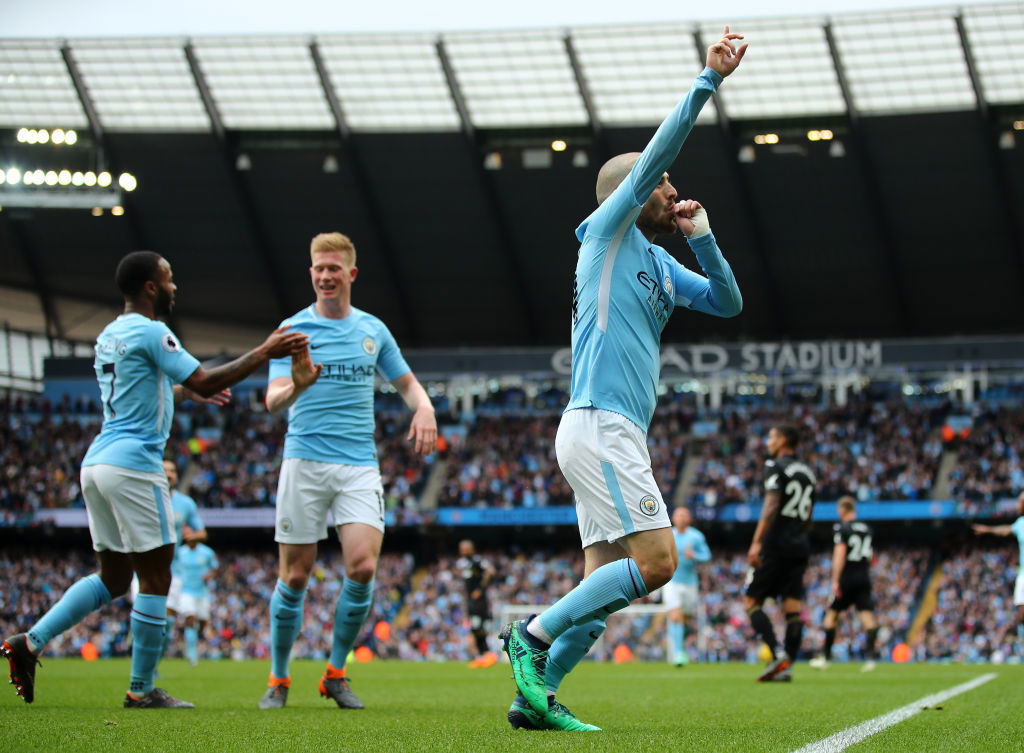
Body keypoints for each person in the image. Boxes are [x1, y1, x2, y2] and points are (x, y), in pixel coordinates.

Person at [500, 28, 746, 733]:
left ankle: (533, 696)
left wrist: (702, 237)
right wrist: (708, 80)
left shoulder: (661, 263)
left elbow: (728, 302)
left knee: (605, 587)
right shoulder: (606, 233)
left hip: (613, 427)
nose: (673, 190)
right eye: (662, 185)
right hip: (599, 421)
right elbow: (659, 152)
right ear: (630, 193)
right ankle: (533, 635)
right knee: (659, 560)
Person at [1, 250, 308, 708]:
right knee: (156, 576)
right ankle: (141, 690)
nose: (174, 286)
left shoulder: (110, 335)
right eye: (168, 278)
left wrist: (181, 393)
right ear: (150, 287)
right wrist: (264, 352)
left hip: (97, 464)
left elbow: (148, 390)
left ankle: (32, 640)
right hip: (134, 466)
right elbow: (204, 380)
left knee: (113, 575)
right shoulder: (152, 332)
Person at [257, 232, 436, 710]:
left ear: (350, 274)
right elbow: (272, 402)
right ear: (311, 273)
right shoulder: (293, 330)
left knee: (362, 566)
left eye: (333, 268)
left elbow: (409, 384)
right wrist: (295, 385)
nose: (325, 275)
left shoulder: (373, 330)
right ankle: (278, 678)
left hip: (358, 464)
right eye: (318, 268)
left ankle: (336, 672)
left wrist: (424, 409)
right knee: (294, 577)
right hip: (304, 462)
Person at [743, 425, 816, 683]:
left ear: (783, 440)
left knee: (751, 602)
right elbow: (808, 515)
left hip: (776, 543)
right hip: (800, 544)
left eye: (771, 436)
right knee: (792, 608)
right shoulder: (808, 472)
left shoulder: (775, 465)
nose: (767, 441)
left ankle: (777, 655)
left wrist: (756, 542)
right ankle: (788, 666)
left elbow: (772, 503)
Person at [809, 496, 879, 671]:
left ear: (842, 510)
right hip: (863, 576)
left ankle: (825, 657)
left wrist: (835, 580)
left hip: (847, 577)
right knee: (867, 617)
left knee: (831, 616)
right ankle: (870, 658)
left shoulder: (842, 528)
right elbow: (870, 556)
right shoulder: (866, 529)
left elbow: (840, 554)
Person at [157, 458, 207, 667]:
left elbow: (202, 532)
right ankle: (142, 675)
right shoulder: (144, 498)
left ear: (177, 476)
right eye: (164, 470)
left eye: (173, 471)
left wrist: (192, 537)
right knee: (149, 619)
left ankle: (153, 666)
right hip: (141, 568)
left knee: (167, 622)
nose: (169, 474)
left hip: (172, 570)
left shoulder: (185, 504)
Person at [972, 491, 1024, 648]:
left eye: (1020, 501)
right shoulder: (1021, 523)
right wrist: (987, 529)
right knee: (1021, 613)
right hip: (1023, 574)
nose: (1017, 504)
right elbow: (1005, 530)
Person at [664, 507, 710, 667]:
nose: (681, 517)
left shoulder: (696, 536)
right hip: (671, 581)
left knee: (685, 619)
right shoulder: (668, 535)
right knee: (675, 616)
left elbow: (707, 556)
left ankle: (680, 648)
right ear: (673, 518)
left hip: (690, 583)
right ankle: (678, 653)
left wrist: (695, 556)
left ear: (689, 519)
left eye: (684, 515)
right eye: (678, 515)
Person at [175, 538, 218, 667]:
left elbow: (214, 568)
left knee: (203, 622)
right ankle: (191, 653)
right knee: (190, 618)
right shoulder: (180, 552)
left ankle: (194, 639)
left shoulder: (207, 552)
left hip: (202, 592)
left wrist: (209, 576)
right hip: (186, 591)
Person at [457, 539, 497, 668]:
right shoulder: (465, 564)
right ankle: (483, 656)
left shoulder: (477, 561)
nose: (462, 551)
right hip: (471, 602)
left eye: (464, 549)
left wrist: (480, 589)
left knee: (477, 627)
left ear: (471, 549)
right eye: (461, 549)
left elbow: (491, 571)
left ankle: (484, 655)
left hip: (479, 602)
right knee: (475, 628)